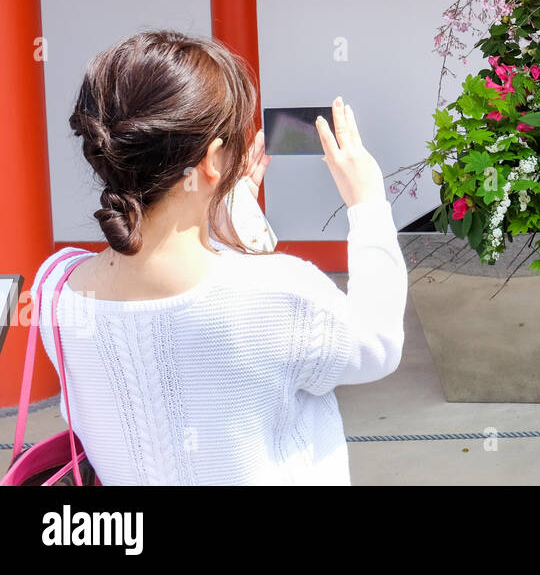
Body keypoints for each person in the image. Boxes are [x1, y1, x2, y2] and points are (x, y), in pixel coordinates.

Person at [30, 31, 408, 485]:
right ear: (212, 159)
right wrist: (367, 204)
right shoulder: (280, 293)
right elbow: (378, 344)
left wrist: (228, 207)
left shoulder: (53, 287)